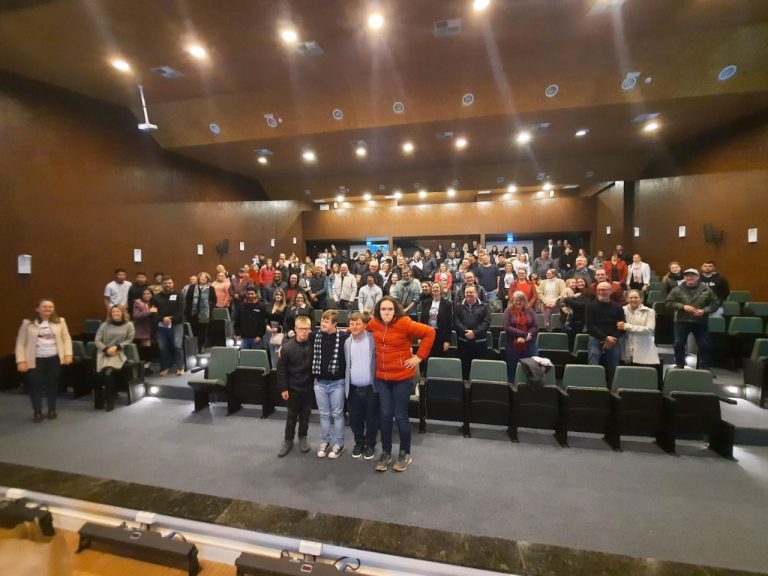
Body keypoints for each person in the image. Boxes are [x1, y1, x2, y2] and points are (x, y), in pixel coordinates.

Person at [367, 297, 435, 472]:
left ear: (395, 310)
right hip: (382, 379)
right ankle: (386, 452)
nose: (386, 312)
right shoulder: (374, 324)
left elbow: (429, 332)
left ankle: (405, 453)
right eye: (383, 309)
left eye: (390, 309)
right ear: (378, 311)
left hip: (402, 379)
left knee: (401, 416)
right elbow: (359, 329)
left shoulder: (404, 323)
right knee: (385, 416)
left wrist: (419, 357)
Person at [15, 298, 73, 422]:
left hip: (54, 358)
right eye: (44, 307)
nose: (48, 309)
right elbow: (20, 342)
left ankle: (52, 409)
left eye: (50, 307)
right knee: (35, 385)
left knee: (52, 384)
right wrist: (21, 360)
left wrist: (68, 354)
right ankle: (37, 411)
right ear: (37, 309)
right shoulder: (27, 323)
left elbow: (66, 338)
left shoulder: (60, 321)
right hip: (35, 359)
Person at [312, 310, 350, 459]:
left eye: (326, 321)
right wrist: (283, 346)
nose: (322, 323)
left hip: (337, 383)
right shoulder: (315, 336)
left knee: (337, 415)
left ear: (335, 324)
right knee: (324, 415)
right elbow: (299, 337)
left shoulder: (344, 337)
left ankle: (339, 444)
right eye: (322, 320)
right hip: (319, 383)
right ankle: (325, 441)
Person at [666, 268, 719, 370]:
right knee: (679, 344)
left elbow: (715, 304)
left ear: (698, 277)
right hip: (682, 320)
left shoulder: (706, 290)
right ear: (684, 277)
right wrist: (683, 307)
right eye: (687, 276)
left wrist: (704, 311)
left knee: (704, 345)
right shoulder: (677, 289)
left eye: (692, 276)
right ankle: (680, 364)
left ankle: (704, 367)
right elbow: (668, 302)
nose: (689, 278)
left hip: (700, 321)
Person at [277, 315, 314, 457]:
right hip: (292, 389)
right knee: (291, 416)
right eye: (301, 329)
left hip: (308, 388)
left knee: (305, 415)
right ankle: (288, 440)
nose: (304, 331)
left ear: (310, 330)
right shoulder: (287, 348)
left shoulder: (313, 344)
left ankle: (303, 437)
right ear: (295, 329)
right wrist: (284, 388)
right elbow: (281, 370)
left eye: (306, 329)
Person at [344, 312, 379, 460]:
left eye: (358, 324)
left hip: (371, 388)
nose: (354, 327)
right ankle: (359, 443)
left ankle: (370, 445)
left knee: (372, 419)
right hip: (352, 388)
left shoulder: (373, 339)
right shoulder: (347, 342)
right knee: (355, 419)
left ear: (365, 325)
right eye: (352, 324)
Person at [93, 306, 135, 411]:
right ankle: (99, 401)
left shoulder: (129, 325)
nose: (115, 313)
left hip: (118, 352)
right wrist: (106, 349)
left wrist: (117, 347)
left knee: (108, 372)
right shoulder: (104, 325)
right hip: (102, 352)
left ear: (122, 313)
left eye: (118, 311)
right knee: (97, 373)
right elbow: (97, 340)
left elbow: (130, 339)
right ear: (110, 314)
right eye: (113, 312)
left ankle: (109, 401)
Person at [585, 282, 625, 381]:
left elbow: (622, 326)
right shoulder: (590, 306)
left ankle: (612, 386)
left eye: (604, 290)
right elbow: (590, 326)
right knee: (593, 363)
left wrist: (612, 339)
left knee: (614, 365)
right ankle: (593, 384)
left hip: (613, 339)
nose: (601, 292)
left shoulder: (617, 306)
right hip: (596, 337)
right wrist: (605, 338)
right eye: (599, 290)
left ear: (610, 291)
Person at [454, 285, 491, 379]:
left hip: (480, 343)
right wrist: (465, 332)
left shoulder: (485, 306)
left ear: (476, 294)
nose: (469, 294)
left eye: (471, 292)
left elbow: (486, 323)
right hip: (463, 342)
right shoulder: (458, 306)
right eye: (467, 292)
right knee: (464, 368)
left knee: (479, 369)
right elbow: (456, 321)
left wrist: (474, 332)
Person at [619, 290, 660, 372]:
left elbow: (649, 329)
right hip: (625, 348)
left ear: (641, 299)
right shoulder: (621, 310)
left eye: (636, 298)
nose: (633, 300)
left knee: (642, 374)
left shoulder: (649, 312)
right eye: (631, 298)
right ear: (627, 299)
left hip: (643, 348)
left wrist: (627, 326)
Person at [152, 276, 185, 376]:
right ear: (162, 284)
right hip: (161, 325)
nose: (167, 285)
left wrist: (171, 319)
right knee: (163, 347)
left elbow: (181, 309)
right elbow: (153, 311)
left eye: (169, 283)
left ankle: (180, 367)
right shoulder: (156, 297)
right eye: (165, 283)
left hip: (176, 324)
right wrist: (163, 319)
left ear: (173, 283)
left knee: (177, 345)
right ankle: (165, 367)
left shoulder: (179, 294)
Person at [503, 291, 539, 382]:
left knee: (531, 368)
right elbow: (507, 327)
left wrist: (526, 337)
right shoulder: (508, 311)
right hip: (512, 343)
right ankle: (513, 385)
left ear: (524, 301)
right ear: (512, 301)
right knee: (513, 368)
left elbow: (536, 326)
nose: (518, 302)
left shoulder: (530, 311)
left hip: (529, 343)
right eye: (516, 300)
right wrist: (524, 334)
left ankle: (529, 387)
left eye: (520, 300)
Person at [420, 282, 453, 360]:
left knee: (438, 357)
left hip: (440, 335)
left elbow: (449, 323)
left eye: (437, 287)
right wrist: (420, 337)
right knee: (426, 357)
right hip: (427, 334)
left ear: (440, 289)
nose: (435, 289)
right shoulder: (425, 303)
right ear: (431, 290)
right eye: (433, 287)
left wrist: (447, 341)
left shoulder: (447, 304)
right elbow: (422, 321)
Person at [185, 271, 216, 353]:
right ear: (199, 278)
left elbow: (214, 301)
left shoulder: (211, 288)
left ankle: (201, 347)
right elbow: (188, 300)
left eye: (205, 277)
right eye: (202, 277)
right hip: (193, 314)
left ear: (207, 279)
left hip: (205, 314)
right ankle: (194, 348)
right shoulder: (192, 287)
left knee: (203, 332)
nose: (203, 278)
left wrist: (208, 307)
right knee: (194, 331)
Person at [131, 288, 156, 368]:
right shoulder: (137, 303)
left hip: (153, 329)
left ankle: (148, 366)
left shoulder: (154, 302)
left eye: (148, 294)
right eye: (144, 294)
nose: (146, 295)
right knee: (144, 350)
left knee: (150, 349)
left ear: (152, 295)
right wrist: (149, 311)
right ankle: (143, 367)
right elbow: (136, 316)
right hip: (142, 330)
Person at [266, 288, 287, 369]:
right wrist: (267, 325)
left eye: (280, 295)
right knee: (271, 352)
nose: (278, 296)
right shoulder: (269, 305)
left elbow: (285, 321)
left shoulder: (285, 307)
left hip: (280, 332)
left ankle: (279, 370)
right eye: (277, 294)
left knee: (278, 353)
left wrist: (278, 329)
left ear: (283, 297)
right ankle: (272, 370)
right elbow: (266, 318)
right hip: (269, 331)